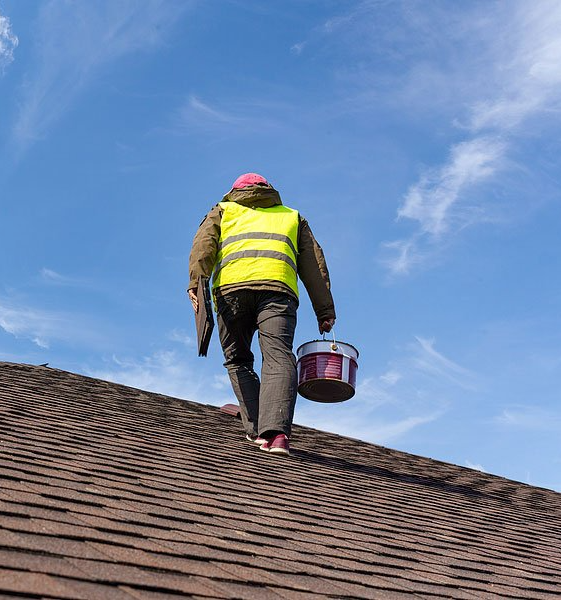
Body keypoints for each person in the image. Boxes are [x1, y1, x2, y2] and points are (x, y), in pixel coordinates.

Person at [188, 173, 336, 456]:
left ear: (234, 191)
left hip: (231, 293)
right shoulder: (292, 217)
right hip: (278, 293)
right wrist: (324, 311)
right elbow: (314, 266)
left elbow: (202, 248)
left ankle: (256, 428)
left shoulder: (223, 210)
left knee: (238, 360)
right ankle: (276, 435)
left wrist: (196, 284)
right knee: (279, 356)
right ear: (269, 191)